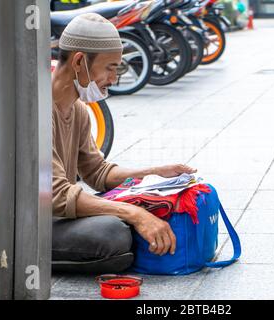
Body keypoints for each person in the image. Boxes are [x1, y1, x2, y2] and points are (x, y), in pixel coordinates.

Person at [51, 13, 197, 273]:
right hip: (29, 227)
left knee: (136, 209)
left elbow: (98, 173)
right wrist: (135, 215)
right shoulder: (37, 111)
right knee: (112, 234)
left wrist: (153, 175)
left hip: (59, 213)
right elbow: (57, 195)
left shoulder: (80, 111)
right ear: (80, 61)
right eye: (110, 67)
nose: (114, 78)